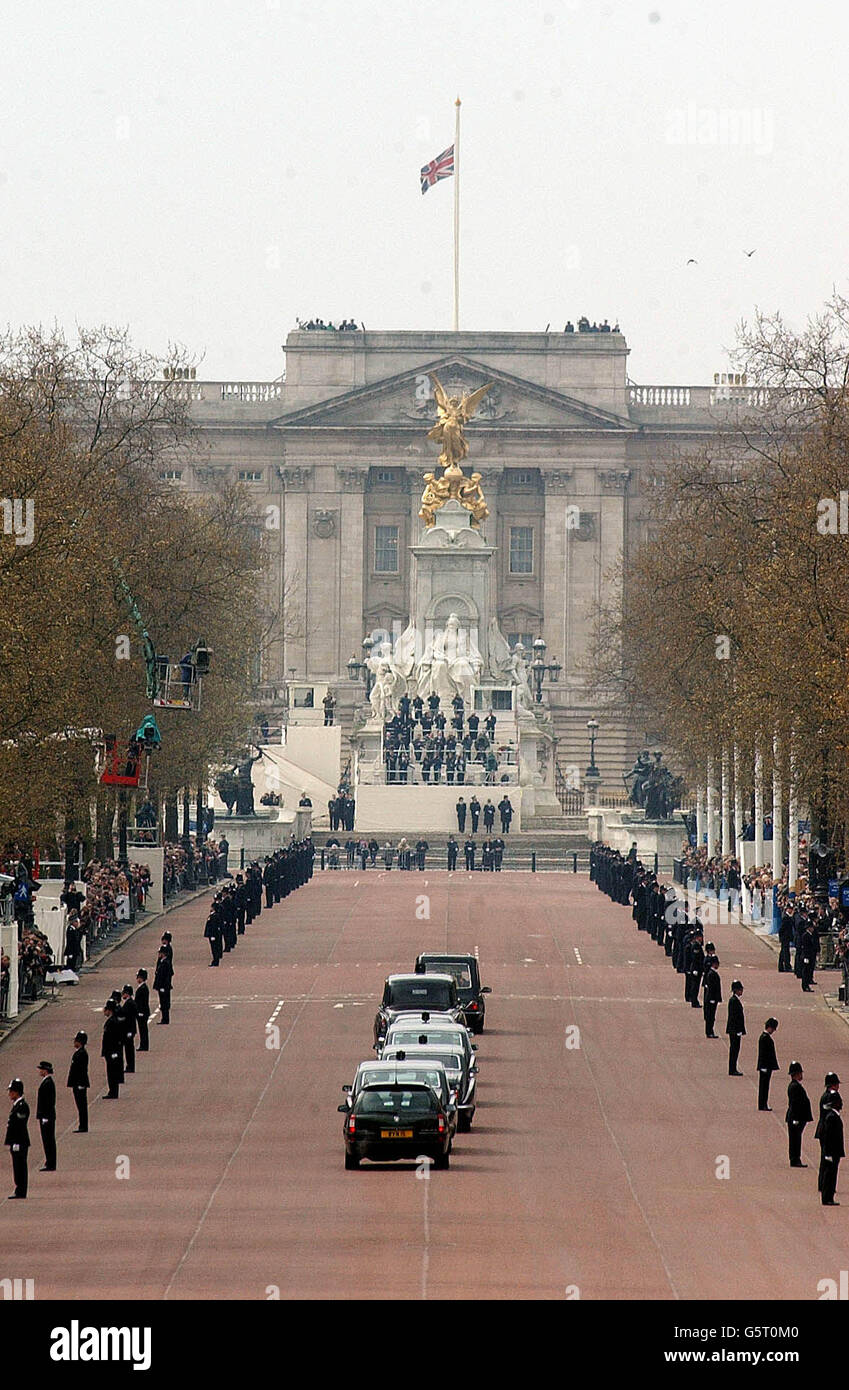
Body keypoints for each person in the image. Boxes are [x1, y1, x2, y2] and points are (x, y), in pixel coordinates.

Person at [816, 1078, 844, 1205]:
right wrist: (828, 1153)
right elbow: (830, 1136)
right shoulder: (832, 1118)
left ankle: (827, 1192)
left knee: (829, 1171)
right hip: (831, 1150)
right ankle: (827, 1195)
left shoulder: (832, 1115)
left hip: (833, 1149)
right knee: (829, 1172)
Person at [5, 1079, 30, 1199]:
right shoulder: (17, 1106)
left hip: (20, 1142)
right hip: (15, 1142)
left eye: (11, 1091)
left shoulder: (22, 1106)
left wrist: (16, 1142)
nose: (9, 1094)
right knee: (17, 1166)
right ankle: (19, 1188)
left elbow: (19, 1126)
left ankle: (21, 1190)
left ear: (16, 1092)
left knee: (20, 1167)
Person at [786, 1061, 813, 1168]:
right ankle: (795, 1159)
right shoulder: (795, 1087)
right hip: (795, 1117)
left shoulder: (795, 1086)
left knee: (796, 1139)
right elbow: (795, 1104)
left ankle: (795, 1158)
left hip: (797, 1117)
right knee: (795, 1139)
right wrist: (796, 1118)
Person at [67, 1031, 90, 1132]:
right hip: (77, 1083)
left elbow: (81, 1071)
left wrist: (80, 1084)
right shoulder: (79, 1053)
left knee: (82, 1105)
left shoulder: (81, 1054)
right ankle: (82, 1124)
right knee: (80, 1105)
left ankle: (83, 1125)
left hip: (79, 1083)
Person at [36, 1062, 56, 1172]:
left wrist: (45, 1116)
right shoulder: (46, 1082)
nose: (40, 1071)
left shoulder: (48, 1083)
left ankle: (51, 1163)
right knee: (47, 1140)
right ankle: (49, 1161)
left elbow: (48, 1102)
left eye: (41, 1069)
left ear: (45, 1070)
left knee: (48, 1140)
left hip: (47, 1116)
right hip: (46, 1115)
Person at [101, 999, 124, 1098]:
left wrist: (113, 1052)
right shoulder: (113, 1020)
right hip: (111, 1051)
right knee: (111, 1072)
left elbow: (114, 1039)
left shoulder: (112, 1022)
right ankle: (112, 1091)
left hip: (112, 1051)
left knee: (112, 1072)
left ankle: (113, 1092)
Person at [756, 1018, 779, 1110]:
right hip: (765, 1066)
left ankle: (763, 1104)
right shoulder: (764, 1038)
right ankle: (762, 1104)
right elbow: (763, 1054)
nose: (773, 1031)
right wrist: (763, 1066)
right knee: (764, 1087)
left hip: (766, 1066)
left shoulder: (765, 1037)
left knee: (765, 1086)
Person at [726, 980, 745, 1075]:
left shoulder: (734, 1000)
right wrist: (738, 1030)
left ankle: (733, 1068)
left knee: (735, 1049)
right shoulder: (734, 1001)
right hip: (734, 1030)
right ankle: (732, 1068)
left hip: (734, 1029)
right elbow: (734, 1017)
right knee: (734, 1049)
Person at [702, 955, 722, 1038]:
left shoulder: (712, 973)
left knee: (711, 1016)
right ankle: (709, 1031)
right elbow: (711, 988)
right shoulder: (711, 974)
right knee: (710, 1016)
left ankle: (710, 1030)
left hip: (713, 998)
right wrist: (712, 998)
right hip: (711, 998)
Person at [120, 985, 138, 1074]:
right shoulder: (130, 1003)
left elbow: (130, 1018)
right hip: (129, 1030)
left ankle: (130, 1066)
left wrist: (130, 1031)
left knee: (129, 1049)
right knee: (128, 1049)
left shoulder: (130, 1004)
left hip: (129, 1030)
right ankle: (129, 1065)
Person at [154, 945, 173, 1024]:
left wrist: (163, 986)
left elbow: (167, 976)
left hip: (164, 987)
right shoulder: (162, 962)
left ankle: (165, 1019)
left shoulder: (166, 963)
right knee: (162, 1002)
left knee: (164, 1003)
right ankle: (164, 1018)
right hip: (161, 986)